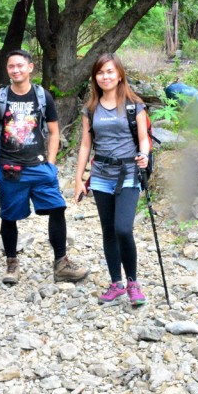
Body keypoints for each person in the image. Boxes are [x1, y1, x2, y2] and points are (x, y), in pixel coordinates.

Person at [0, 49, 88, 285]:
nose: (16, 70)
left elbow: (54, 132)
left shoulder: (42, 97)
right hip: (9, 168)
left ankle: (61, 264)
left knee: (57, 208)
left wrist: (51, 163)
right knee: (9, 216)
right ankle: (12, 263)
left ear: (30, 67)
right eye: (11, 66)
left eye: (20, 65)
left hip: (39, 167)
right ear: (7, 69)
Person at [73, 54, 150, 307]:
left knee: (123, 229)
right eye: (100, 73)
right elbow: (86, 146)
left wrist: (145, 156)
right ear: (95, 77)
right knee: (108, 231)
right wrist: (78, 179)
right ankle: (116, 283)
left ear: (119, 75)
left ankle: (133, 283)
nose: (105, 77)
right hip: (101, 176)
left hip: (128, 172)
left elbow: (144, 139)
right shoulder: (90, 109)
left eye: (109, 72)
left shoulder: (133, 105)